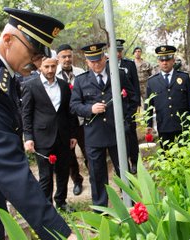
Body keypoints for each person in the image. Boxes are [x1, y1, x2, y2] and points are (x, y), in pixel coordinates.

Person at [0, 7, 77, 240]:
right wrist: (61, 233)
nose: (38, 63)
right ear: (8, 39)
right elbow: (8, 167)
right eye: (33, 53)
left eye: (42, 55)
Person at [70, 43, 138, 208]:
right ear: (87, 62)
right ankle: (101, 208)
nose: (96, 64)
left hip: (117, 132)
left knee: (123, 170)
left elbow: (133, 97)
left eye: (99, 60)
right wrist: (90, 109)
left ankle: (130, 203)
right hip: (94, 134)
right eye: (92, 61)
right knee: (97, 174)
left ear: (105, 58)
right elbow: (74, 105)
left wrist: (126, 121)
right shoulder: (81, 80)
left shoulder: (118, 75)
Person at [21, 56, 79, 212]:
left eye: (53, 66)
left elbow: (70, 112)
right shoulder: (30, 86)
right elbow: (26, 113)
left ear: (57, 65)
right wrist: (28, 137)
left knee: (63, 171)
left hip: (63, 135)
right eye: (46, 66)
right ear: (40, 66)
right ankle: (46, 206)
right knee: (45, 175)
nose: (50, 70)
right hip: (42, 138)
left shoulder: (64, 86)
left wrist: (73, 134)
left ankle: (61, 201)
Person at [145, 45, 190, 148]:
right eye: (161, 60)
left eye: (167, 59)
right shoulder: (152, 82)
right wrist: (149, 124)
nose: (164, 62)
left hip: (182, 125)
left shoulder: (184, 77)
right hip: (164, 125)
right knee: (167, 157)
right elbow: (148, 106)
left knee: (185, 156)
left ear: (173, 60)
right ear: (158, 61)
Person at [56, 43, 85, 195]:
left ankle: (96, 178)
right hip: (66, 124)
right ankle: (77, 181)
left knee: (90, 152)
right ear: (58, 58)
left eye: (69, 56)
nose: (67, 59)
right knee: (70, 156)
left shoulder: (81, 73)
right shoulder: (54, 75)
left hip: (82, 121)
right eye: (64, 57)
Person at [116, 39, 141, 174]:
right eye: (115, 51)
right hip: (115, 108)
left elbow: (135, 85)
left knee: (131, 135)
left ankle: (134, 163)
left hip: (129, 106)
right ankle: (121, 163)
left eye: (120, 51)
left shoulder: (129, 64)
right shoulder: (107, 65)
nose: (118, 54)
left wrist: (137, 104)